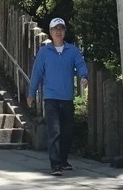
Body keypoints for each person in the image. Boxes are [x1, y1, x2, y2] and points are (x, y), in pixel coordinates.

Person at [25, 17, 88, 176]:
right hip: (51, 97)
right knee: (55, 131)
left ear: (64, 31)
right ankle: (55, 164)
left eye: (61, 29)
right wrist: (31, 93)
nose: (58, 32)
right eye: (55, 29)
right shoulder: (44, 52)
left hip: (67, 97)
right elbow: (36, 73)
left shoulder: (72, 51)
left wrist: (83, 76)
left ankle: (63, 159)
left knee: (67, 131)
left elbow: (80, 64)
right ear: (51, 32)